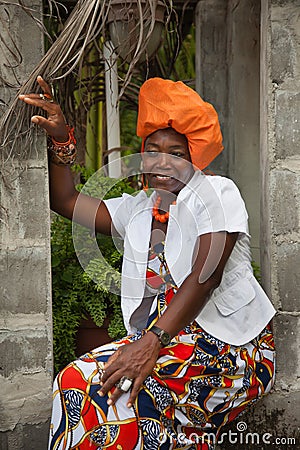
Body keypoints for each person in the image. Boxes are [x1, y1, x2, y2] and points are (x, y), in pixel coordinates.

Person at [19, 77, 276, 450]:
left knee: (82, 382)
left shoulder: (218, 193)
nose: (161, 161)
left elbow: (207, 277)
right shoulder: (137, 207)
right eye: (152, 150)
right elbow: (66, 201)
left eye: (176, 153)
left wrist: (150, 344)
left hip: (231, 347)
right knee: (107, 397)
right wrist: (61, 138)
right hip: (165, 345)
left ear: (194, 159)